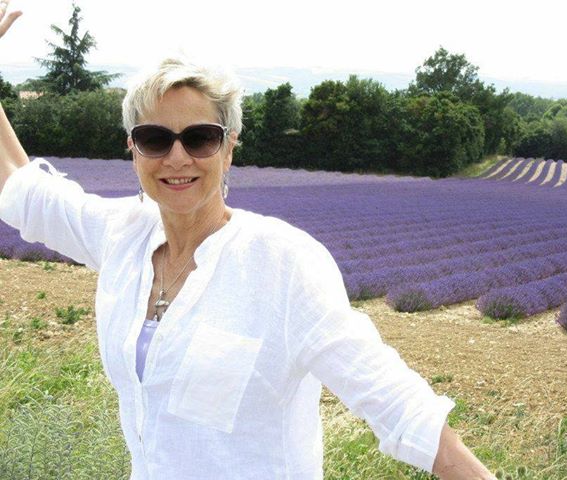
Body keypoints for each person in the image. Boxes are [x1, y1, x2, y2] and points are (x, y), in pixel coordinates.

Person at [0, 3, 496, 479]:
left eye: (200, 138)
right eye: (155, 138)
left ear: (229, 145)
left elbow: (394, 402)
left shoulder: (282, 263)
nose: (177, 157)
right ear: (132, 148)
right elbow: (27, 191)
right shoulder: (123, 237)